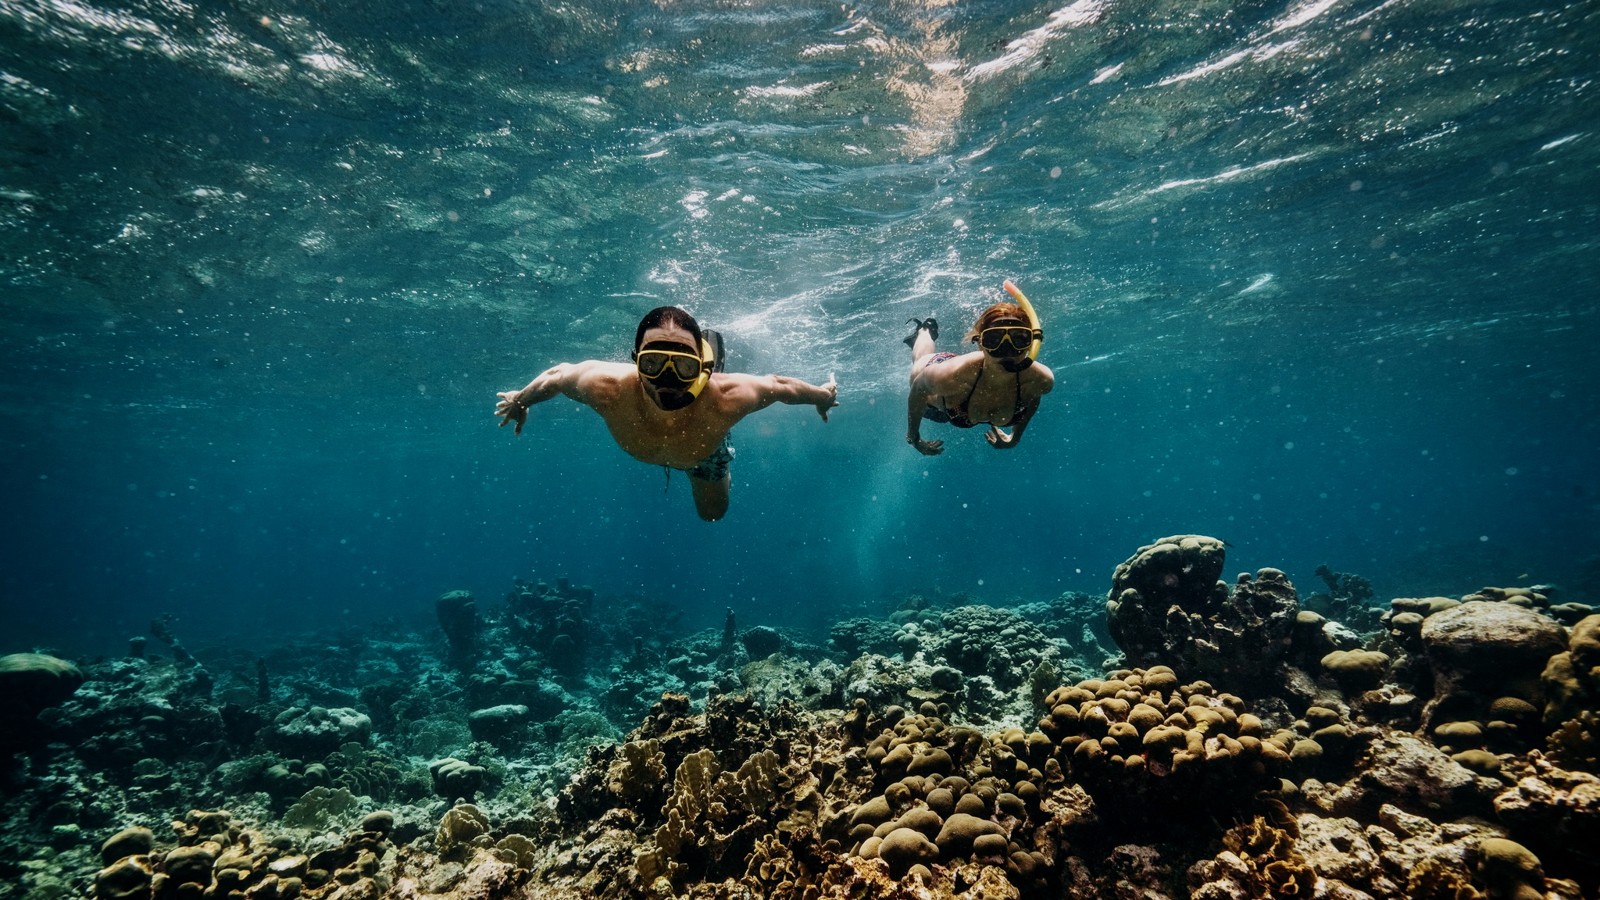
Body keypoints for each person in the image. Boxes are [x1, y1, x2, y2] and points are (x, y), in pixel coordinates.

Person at [495, 306, 838, 521]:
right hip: (687, 442)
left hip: (705, 453)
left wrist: (823, 395)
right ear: (635, 361)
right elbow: (557, 375)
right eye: (654, 363)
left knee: (712, 515)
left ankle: (706, 381)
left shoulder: (727, 397)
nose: (668, 381)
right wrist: (522, 399)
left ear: (702, 367)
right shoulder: (608, 387)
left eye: (684, 366)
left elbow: (780, 385)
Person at [904, 283, 1054, 455]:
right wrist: (913, 438)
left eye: (1019, 339)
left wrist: (1015, 437)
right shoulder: (949, 376)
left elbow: (1033, 396)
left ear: (1031, 344)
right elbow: (918, 389)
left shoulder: (1040, 379)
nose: (1006, 351)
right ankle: (925, 331)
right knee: (919, 362)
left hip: (958, 402)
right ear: (980, 344)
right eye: (994, 339)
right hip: (940, 393)